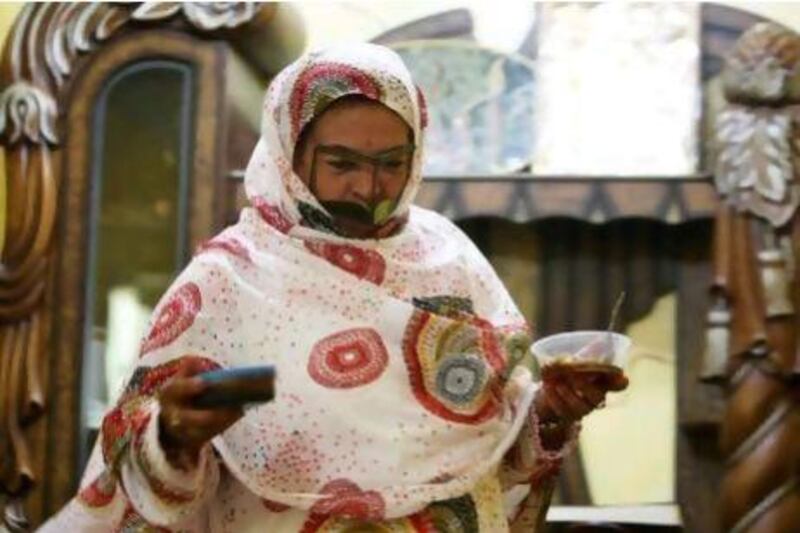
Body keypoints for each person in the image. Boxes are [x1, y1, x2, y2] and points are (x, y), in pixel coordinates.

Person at [41, 43, 625, 532]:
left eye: (392, 163)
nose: (370, 188)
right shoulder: (230, 279)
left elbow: (496, 440)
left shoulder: (452, 262)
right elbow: (148, 452)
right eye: (342, 163)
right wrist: (171, 436)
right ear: (289, 153)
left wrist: (551, 409)